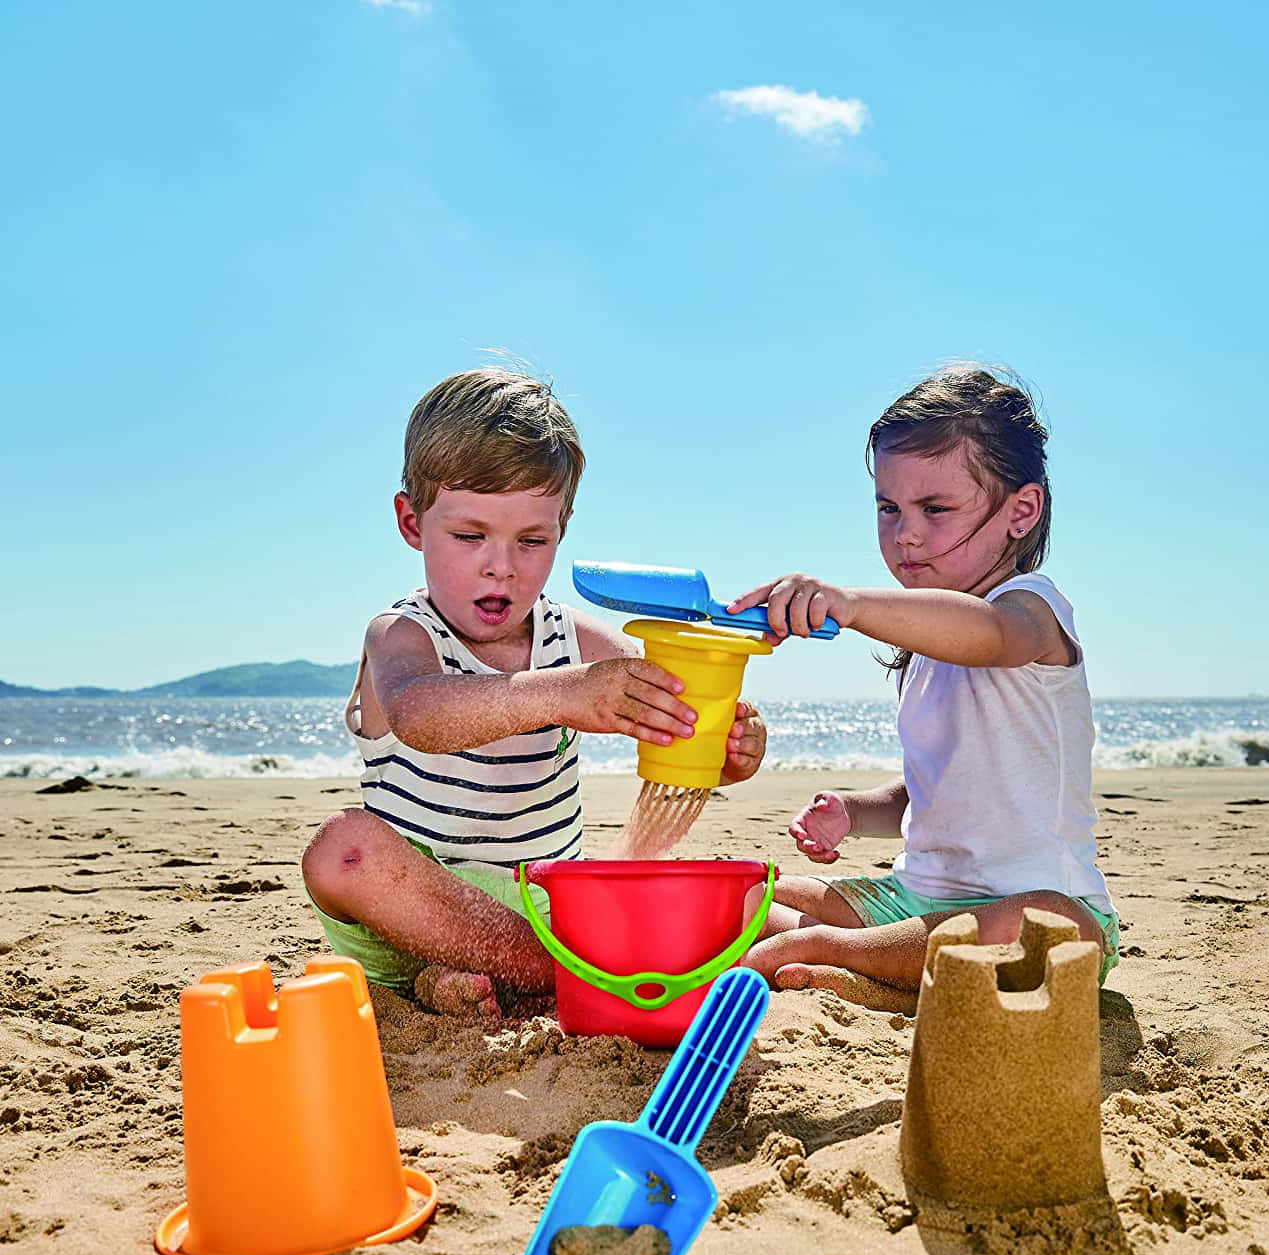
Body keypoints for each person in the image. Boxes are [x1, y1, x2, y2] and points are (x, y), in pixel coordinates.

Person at [302, 368, 766, 1016]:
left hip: (537, 903)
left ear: (563, 527)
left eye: (531, 539)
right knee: (342, 849)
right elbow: (418, 714)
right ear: (411, 522)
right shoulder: (403, 633)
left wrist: (722, 746)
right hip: (418, 909)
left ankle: (460, 979)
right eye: (470, 536)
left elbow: (669, 708)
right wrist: (562, 694)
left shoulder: (572, 639)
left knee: (722, 889)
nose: (502, 564)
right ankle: (557, 975)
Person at [726, 364, 1117, 1006]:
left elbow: (990, 634)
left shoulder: (1030, 612)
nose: (905, 533)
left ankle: (838, 953)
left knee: (1052, 927)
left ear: (1021, 511)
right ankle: (878, 965)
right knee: (741, 895)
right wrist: (854, 811)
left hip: (1029, 906)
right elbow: (931, 791)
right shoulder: (926, 643)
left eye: (935, 509)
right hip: (917, 900)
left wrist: (848, 604)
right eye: (889, 508)